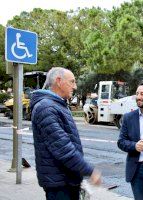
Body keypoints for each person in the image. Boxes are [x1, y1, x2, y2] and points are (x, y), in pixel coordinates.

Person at [30, 67, 101, 200]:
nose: (75, 86)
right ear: (58, 81)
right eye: (72, 82)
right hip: (59, 184)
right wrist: (89, 171)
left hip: (65, 180)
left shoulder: (57, 105)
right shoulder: (47, 108)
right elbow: (63, 148)